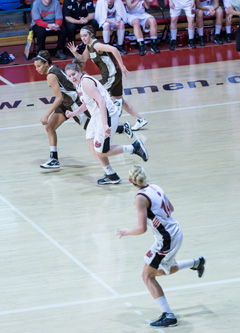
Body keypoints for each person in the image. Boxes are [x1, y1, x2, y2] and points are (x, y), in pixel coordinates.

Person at [117, 165, 206, 328]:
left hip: (166, 240)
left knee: (147, 276)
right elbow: (170, 208)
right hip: (175, 231)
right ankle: (196, 262)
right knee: (159, 271)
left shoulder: (140, 198)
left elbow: (141, 228)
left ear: (130, 181)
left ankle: (169, 316)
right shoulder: (156, 187)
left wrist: (126, 232)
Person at [64, 61, 149, 185]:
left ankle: (134, 147)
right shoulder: (79, 84)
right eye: (69, 76)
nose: (72, 78)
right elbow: (88, 103)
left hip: (106, 115)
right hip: (96, 116)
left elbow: (101, 101)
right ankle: (111, 174)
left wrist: (104, 124)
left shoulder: (86, 82)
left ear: (79, 71)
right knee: (91, 144)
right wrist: (74, 113)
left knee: (102, 151)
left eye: (73, 74)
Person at [67, 25, 149, 131]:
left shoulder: (96, 45)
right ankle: (139, 119)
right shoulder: (88, 46)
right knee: (119, 98)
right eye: (81, 36)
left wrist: (122, 65)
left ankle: (106, 118)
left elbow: (114, 49)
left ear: (91, 35)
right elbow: (82, 60)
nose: (83, 38)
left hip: (111, 76)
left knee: (95, 95)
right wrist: (74, 52)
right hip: (113, 75)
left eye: (85, 35)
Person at [34, 50, 88, 168]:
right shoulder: (55, 67)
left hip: (74, 103)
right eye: (35, 67)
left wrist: (46, 115)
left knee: (93, 129)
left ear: (46, 64)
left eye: (39, 66)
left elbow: (58, 98)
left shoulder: (50, 75)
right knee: (50, 127)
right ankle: (54, 159)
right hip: (66, 102)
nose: (37, 69)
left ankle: (121, 128)